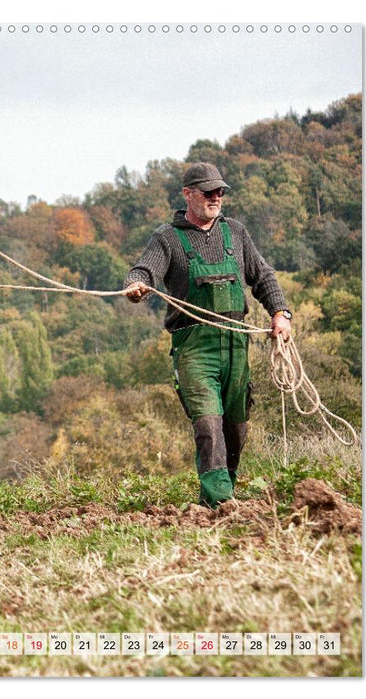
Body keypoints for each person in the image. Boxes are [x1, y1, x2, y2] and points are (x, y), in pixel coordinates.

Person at [123, 163, 292, 508]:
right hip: (194, 347)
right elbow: (144, 270)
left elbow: (262, 276)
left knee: (236, 427)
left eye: (220, 192)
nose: (216, 197)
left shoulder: (236, 232)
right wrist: (135, 285)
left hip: (235, 344)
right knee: (208, 422)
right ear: (188, 194)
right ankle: (220, 502)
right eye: (208, 192)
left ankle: (217, 495)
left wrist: (280, 313)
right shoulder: (166, 237)